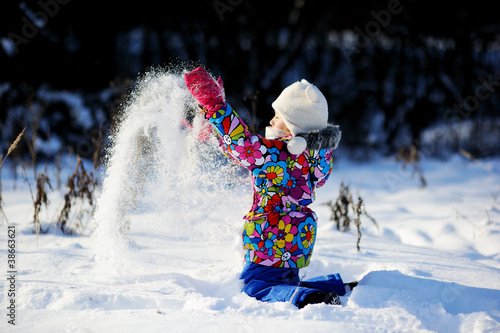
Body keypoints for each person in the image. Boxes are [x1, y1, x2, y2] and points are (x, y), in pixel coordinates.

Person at [184, 67, 356, 308]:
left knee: (255, 287)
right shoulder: (318, 158)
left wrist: (215, 106)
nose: (271, 120)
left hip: (271, 233)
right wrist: (213, 135)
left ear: (292, 126)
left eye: (278, 116)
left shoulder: (275, 151)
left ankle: (306, 298)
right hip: (298, 238)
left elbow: (242, 144)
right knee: (282, 280)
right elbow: (246, 155)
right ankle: (334, 287)